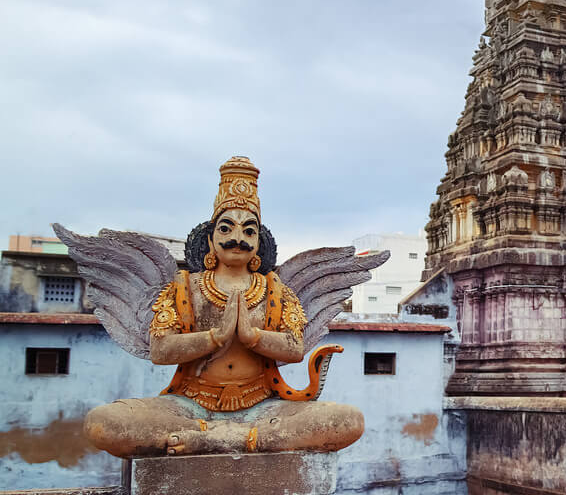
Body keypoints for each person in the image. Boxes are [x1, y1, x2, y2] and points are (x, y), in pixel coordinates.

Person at [58, 157, 374, 457]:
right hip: (190, 405)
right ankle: (211, 432)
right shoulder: (185, 287)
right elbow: (160, 350)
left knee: (347, 420)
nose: (238, 238)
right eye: (226, 228)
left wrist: (253, 337)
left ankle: (224, 439)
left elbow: (294, 347)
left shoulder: (275, 290)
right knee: (104, 423)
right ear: (210, 240)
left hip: (263, 407)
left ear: (257, 244)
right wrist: (215, 337)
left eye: (249, 230)